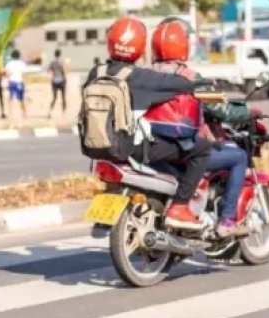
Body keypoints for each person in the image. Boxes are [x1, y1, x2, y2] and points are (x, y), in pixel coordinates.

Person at [83, 15, 211, 231]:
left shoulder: (96, 72)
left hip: (96, 149)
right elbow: (180, 84)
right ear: (141, 47)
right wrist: (201, 83)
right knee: (202, 150)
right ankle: (180, 207)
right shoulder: (141, 77)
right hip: (133, 148)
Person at [147, 17, 259, 238]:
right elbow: (222, 111)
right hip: (183, 149)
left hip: (151, 149)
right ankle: (226, 221)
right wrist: (249, 112)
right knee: (237, 157)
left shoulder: (144, 75)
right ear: (184, 44)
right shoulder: (191, 78)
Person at [4, 49, 28, 119]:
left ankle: (10, 113)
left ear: (12, 56)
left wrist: (7, 81)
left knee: (10, 98)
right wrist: (25, 83)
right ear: (19, 56)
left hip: (11, 82)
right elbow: (24, 74)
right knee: (21, 99)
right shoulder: (22, 64)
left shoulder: (9, 64)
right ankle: (24, 113)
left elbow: (7, 73)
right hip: (19, 82)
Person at [48, 49, 68, 116]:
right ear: (60, 54)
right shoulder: (62, 62)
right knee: (63, 97)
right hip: (62, 80)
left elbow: (48, 70)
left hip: (54, 81)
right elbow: (64, 71)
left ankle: (50, 111)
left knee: (54, 97)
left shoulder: (52, 62)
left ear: (54, 54)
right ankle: (63, 113)